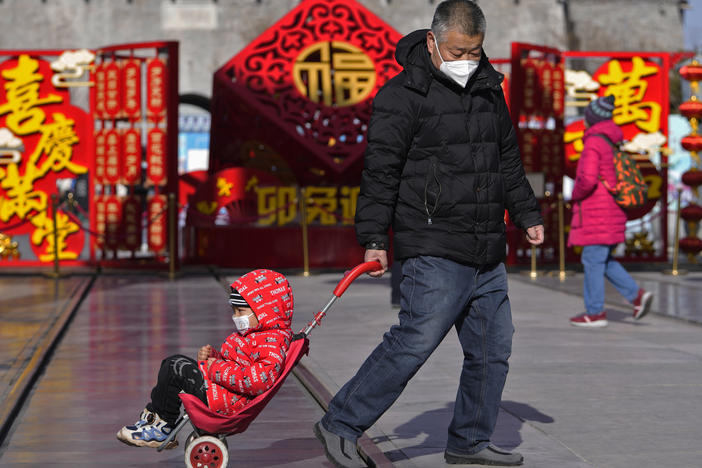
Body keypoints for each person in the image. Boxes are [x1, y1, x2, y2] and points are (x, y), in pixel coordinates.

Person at [313, 1, 544, 466]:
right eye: (459, 50)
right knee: (414, 340)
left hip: (486, 247)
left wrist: (527, 212)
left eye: (475, 51)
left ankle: (470, 441)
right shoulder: (402, 95)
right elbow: (381, 172)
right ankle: (340, 422)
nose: (467, 60)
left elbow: (507, 160)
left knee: (492, 349)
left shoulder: (488, 89)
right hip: (433, 242)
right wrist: (375, 239)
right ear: (433, 41)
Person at [116, 269, 293, 448]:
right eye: (234, 311)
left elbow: (258, 380)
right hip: (221, 391)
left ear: (265, 311)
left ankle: (162, 426)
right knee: (173, 363)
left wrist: (215, 368)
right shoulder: (255, 335)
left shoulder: (270, 343)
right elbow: (238, 364)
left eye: (241, 311)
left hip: (224, 400)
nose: (235, 317)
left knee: (175, 367)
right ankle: (156, 420)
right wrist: (213, 357)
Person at [567, 95, 653, 327]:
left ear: (592, 118)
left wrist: (573, 196)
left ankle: (595, 313)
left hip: (597, 212)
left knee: (592, 260)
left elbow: (587, 178)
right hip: (611, 210)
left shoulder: (594, 142)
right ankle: (637, 296)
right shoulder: (610, 141)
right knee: (602, 259)